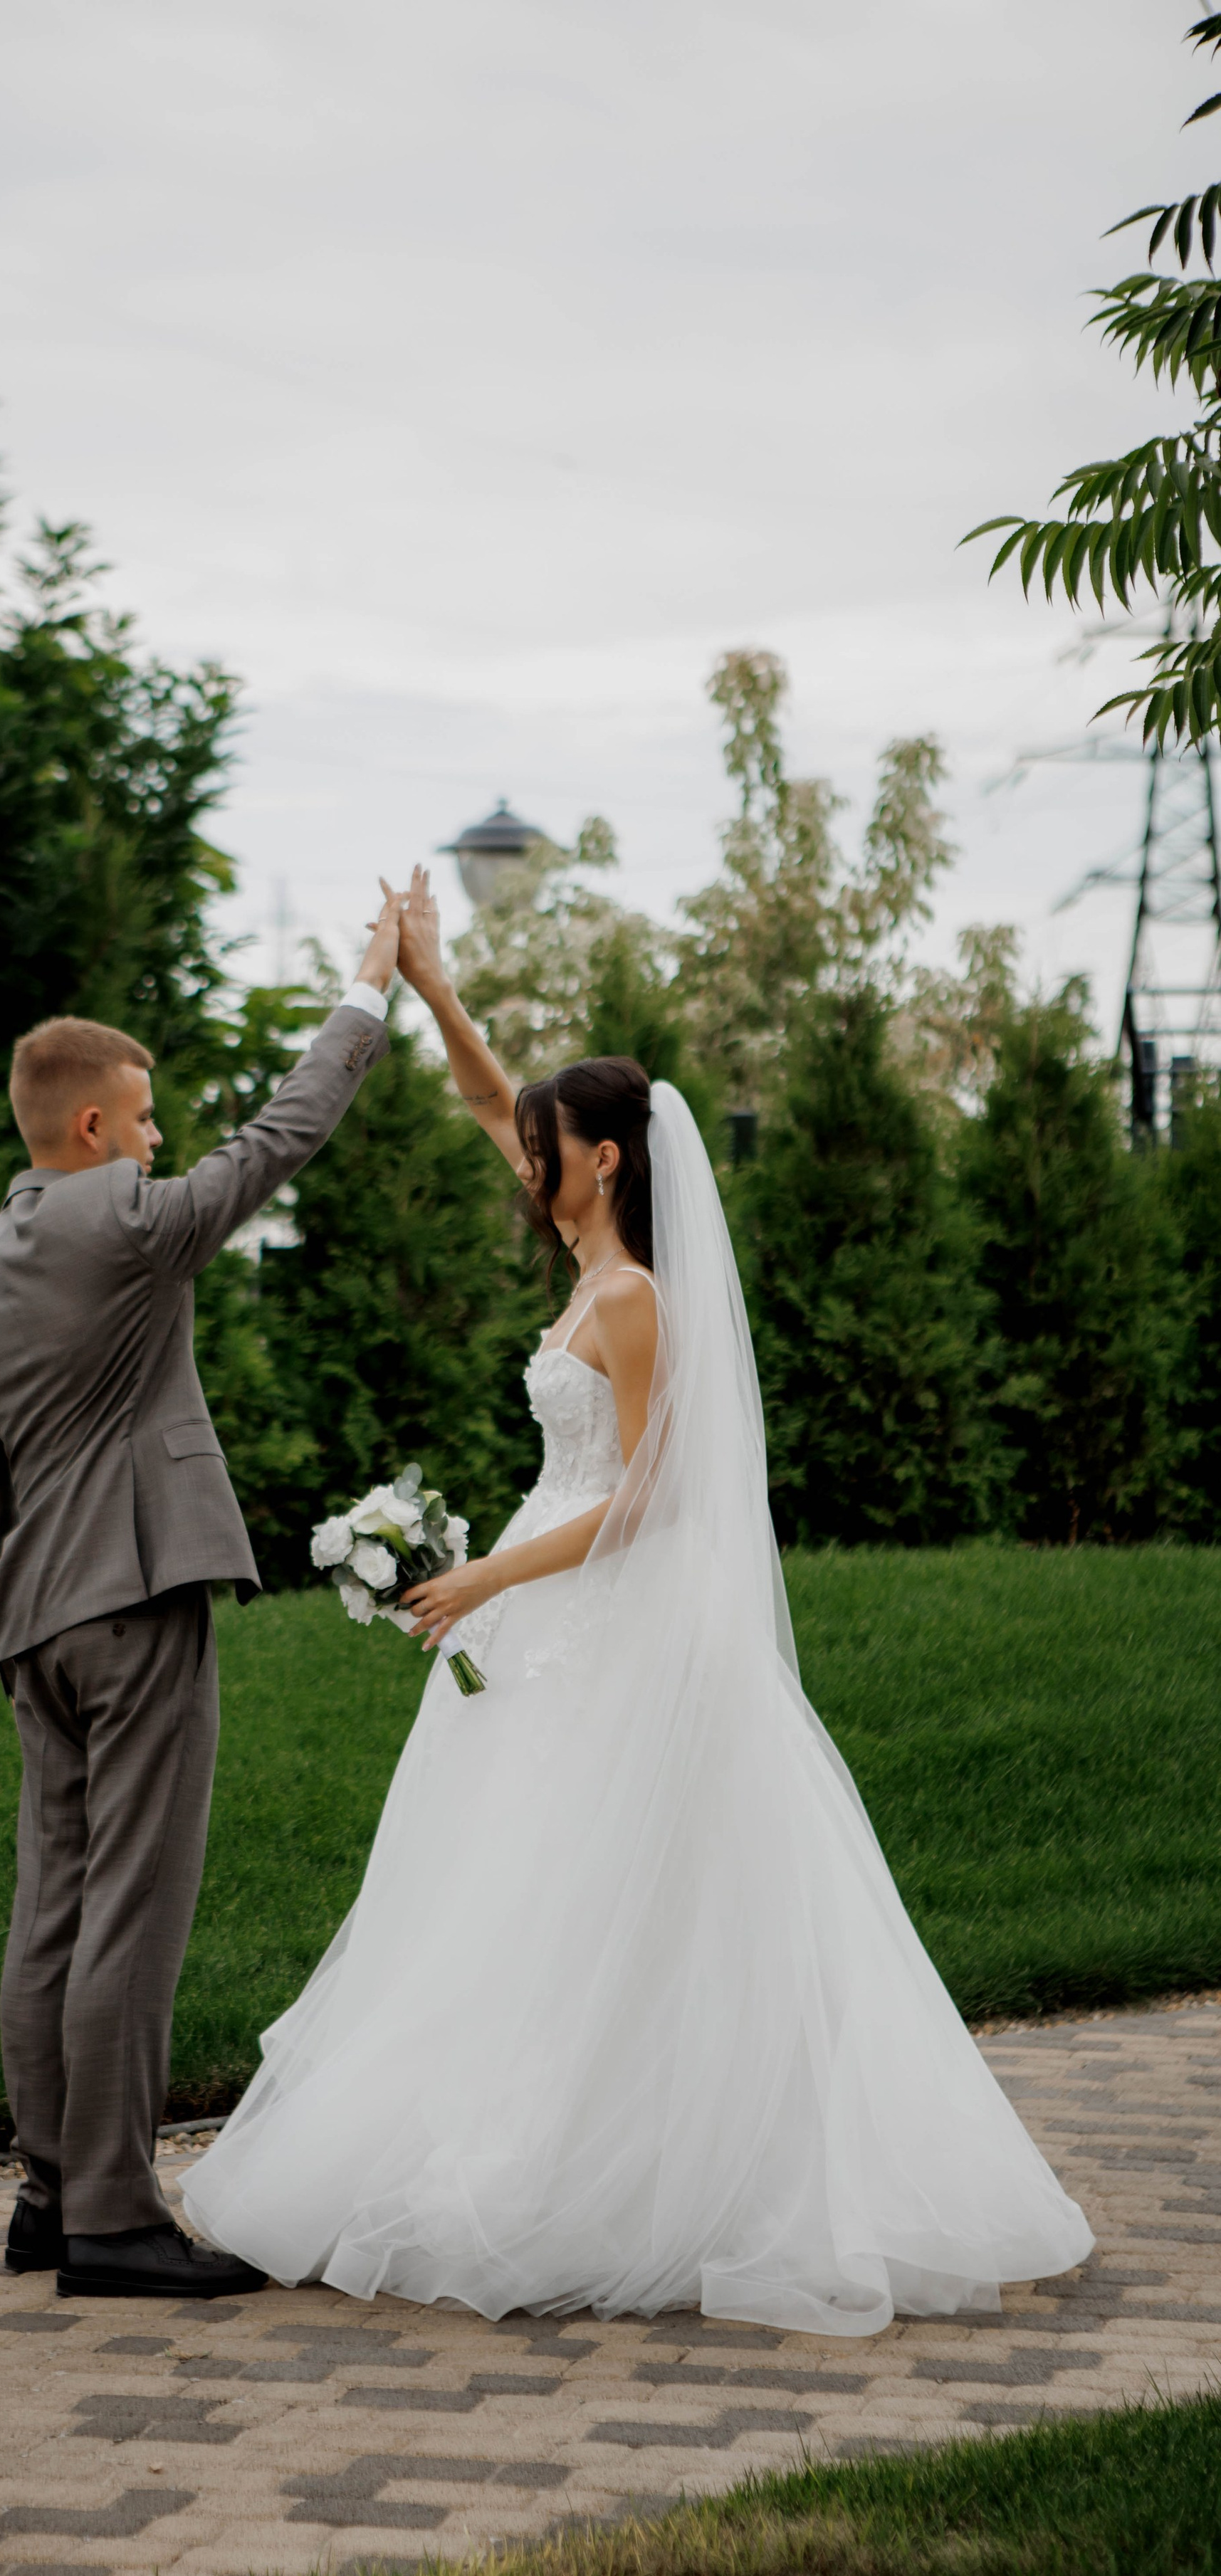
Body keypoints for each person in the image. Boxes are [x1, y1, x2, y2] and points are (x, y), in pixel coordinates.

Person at [182, 869, 1092, 2335]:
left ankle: (630, 2175)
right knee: (519, 1883)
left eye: (544, 1150)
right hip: (547, 1614)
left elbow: (655, 1499)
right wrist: (424, 981)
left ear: (599, 1159)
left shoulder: (631, 1301)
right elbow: (493, 1101)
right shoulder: (585, 1256)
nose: (518, 1161)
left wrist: (484, 1573)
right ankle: (524, 2131)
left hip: (606, 1603)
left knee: (612, 1884)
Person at [0, 891, 402, 2300]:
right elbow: (280, 1140)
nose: (155, 1140)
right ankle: (116, 2220)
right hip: (136, 1609)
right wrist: (363, 993)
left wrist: (12, 1627)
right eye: (140, 1120)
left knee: (53, 1904)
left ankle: (46, 2195)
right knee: (131, 1906)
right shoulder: (124, 1227)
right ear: (89, 1132)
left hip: (37, 1626)